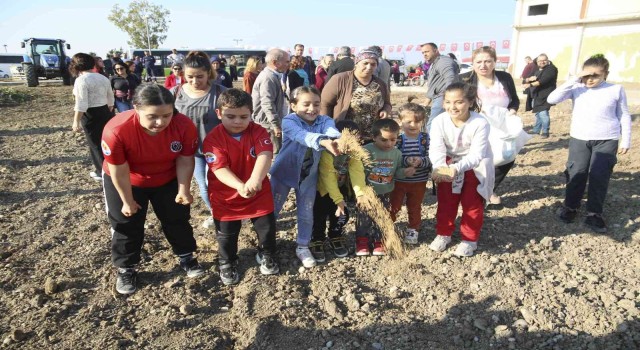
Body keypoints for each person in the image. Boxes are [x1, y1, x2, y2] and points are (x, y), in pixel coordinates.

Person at [101, 84, 204, 295]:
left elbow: (185, 160)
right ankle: (126, 268)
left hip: (166, 177)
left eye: (167, 115)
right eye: (152, 116)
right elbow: (119, 170)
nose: (160, 122)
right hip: (127, 179)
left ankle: (186, 256)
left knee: (177, 217)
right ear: (135, 107)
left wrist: (183, 189)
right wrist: (128, 200)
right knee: (126, 223)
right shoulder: (117, 130)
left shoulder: (184, 126)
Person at [202, 88, 279, 285]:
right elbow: (219, 168)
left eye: (244, 116)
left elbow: (265, 155)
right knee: (226, 233)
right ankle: (227, 261)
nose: (238, 121)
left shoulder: (258, 131)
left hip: (258, 190)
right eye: (231, 116)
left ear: (251, 114)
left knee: (267, 227)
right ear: (219, 114)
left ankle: (266, 252)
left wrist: (255, 180)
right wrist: (239, 185)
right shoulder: (212, 139)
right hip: (225, 194)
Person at [548, 54, 631, 233]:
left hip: (607, 139)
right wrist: (575, 78)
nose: (590, 79)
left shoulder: (615, 89)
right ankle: (570, 207)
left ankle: (594, 213)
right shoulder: (577, 87)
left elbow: (623, 115)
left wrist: (626, 139)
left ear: (605, 74)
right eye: (586, 75)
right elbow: (551, 99)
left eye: (595, 75)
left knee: (599, 175)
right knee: (576, 172)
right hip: (580, 138)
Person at [270, 86, 341, 268]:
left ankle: (302, 245)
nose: (312, 109)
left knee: (306, 212)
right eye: (306, 104)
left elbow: (332, 130)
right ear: (293, 106)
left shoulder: (324, 120)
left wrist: (336, 139)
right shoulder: (289, 121)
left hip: (308, 176)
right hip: (283, 173)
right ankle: (267, 244)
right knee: (273, 209)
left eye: (316, 104)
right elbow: (302, 136)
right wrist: (322, 141)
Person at [429, 83, 494, 257]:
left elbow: (477, 154)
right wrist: (439, 166)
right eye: (448, 102)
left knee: (472, 204)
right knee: (446, 202)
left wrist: (455, 168)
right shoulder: (439, 121)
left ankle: (469, 239)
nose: (453, 107)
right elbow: (436, 148)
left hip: (474, 166)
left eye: (458, 102)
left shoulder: (480, 122)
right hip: (447, 163)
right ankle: (444, 233)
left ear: (470, 102)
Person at [171, 51, 227, 229]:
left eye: (200, 77)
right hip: (189, 151)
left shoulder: (220, 92)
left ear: (208, 73)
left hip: (215, 149)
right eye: (190, 77)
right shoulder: (175, 93)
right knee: (203, 186)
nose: (195, 81)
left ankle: (226, 212)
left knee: (216, 184)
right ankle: (216, 213)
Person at [460, 46, 520, 205]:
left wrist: (513, 110)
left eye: (488, 61)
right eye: (478, 61)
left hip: (502, 126)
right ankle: (473, 194)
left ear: (495, 62)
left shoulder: (505, 78)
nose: (483, 65)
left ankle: (489, 189)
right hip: (476, 126)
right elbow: (457, 102)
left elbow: (514, 99)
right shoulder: (465, 80)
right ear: (472, 63)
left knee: (506, 158)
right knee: (478, 160)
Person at [311, 120, 366, 261]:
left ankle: (335, 235)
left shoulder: (353, 153)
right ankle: (317, 238)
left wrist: (360, 194)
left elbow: (357, 172)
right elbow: (327, 177)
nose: (349, 147)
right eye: (346, 143)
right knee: (319, 215)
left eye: (354, 143)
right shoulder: (327, 153)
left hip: (340, 188)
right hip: (322, 190)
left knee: (342, 215)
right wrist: (338, 200)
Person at [356, 119, 413, 256]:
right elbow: (358, 171)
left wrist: (404, 172)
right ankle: (362, 242)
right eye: (384, 140)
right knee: (364, 218)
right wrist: (359, 192)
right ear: (374, 137)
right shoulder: (366, 150)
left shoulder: (397, 153)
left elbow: (397, 171)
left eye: (393, 140)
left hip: (385, 192)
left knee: (382, 217)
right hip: (367, 192)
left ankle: (378, 241)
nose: (389, 144)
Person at [320, 49, 392, 143]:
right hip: (346, 136)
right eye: (365, 63)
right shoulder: (340, 79)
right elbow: (325, 104)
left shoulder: (380, 84)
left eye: (373, 64)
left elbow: (387, 103)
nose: (369, 67)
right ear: (357, 63)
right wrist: (328, 130)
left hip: (372, 137)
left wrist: (385, 110)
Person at [389, 101, 431, 245]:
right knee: (394, 205)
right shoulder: (398, 139)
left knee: (415, 206)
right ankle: (388, 227)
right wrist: (407, 161)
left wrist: (421, 161)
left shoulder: (426, 139)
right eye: (409, 122)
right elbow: (394, 156)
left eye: (417, 121)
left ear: (423, 121)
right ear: (400, 122)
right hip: (400, 180)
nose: (413, 125)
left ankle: (413, 229)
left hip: (419, 180)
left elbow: (431, 157)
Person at [70, 53, 114, 181]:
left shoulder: (81, 80)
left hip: (90, 114)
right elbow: (110, 97)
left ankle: (102, 171)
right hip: (105, 111)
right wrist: (109, 108)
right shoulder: (102, 78)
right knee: (105, 141)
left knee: (94, 143)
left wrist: (75, 121)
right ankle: (110, 167)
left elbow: (81, 103)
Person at [252, 48, 289, 154]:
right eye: (286, 61)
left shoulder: (273, 76)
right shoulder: (268, 78)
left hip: (269, 124)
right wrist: (276, 125)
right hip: (268, 126)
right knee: (273, 154)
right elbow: (267, 103)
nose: (288, 64)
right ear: (275, 62)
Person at [420, 43, 460, 131]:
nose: (425, 54)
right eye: (423, 53)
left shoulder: (443, 61)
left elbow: (450, 79)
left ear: (436, 50)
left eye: (427, 51)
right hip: (440, 98)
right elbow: (435, 84)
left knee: (432, 125)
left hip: (443, 97)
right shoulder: (436, 62)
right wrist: (427, 101)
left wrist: (448, 99)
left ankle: (432, 144)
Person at [524, 53, 558, 138]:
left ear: (547, 60)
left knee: (543, 113)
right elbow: (528, 79)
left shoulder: (551, 69)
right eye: (539, 61)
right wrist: (529, 79)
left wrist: (530, 85)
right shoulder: (539, 70)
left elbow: (544, 80)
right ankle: (536, 130)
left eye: (544, 60)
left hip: (545, 95)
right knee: (538, 113)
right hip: (537, 95)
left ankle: (545, 132)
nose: (542, 62)